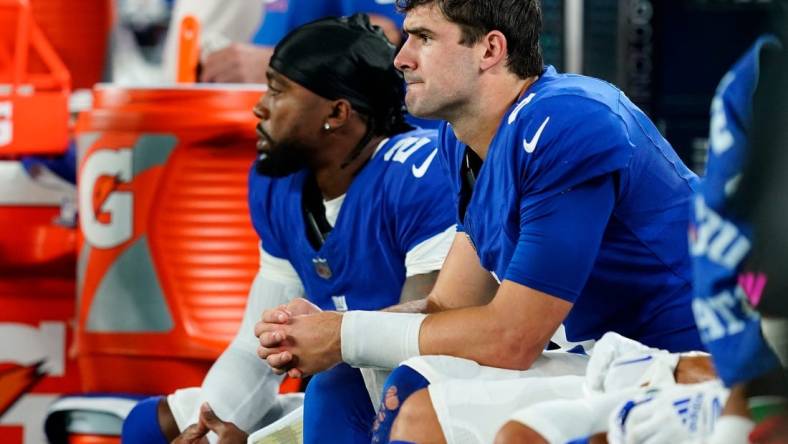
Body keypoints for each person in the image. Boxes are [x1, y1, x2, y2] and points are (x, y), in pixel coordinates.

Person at [256, 0, 705, 442]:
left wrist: (345, 334)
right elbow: (448, 306)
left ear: (490, 50)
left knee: (423, 409)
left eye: (424, 37)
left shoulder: (569, 120)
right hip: (600, 359)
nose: (401, 57)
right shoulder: (461, 142)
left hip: (681, 363)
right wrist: (326, 331)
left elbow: (513, 336)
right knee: (344, 386)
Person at [121, 14, 457, 444]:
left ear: (336, 112)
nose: (260, 107)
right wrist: (214, 428)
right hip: (348, 391)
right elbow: (254, 348)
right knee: (151, 426)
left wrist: (336, 338)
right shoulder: (279, 182)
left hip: (427, 395)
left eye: (277, 92)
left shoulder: (417, 175)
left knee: (336, 388)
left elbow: (420, 345)